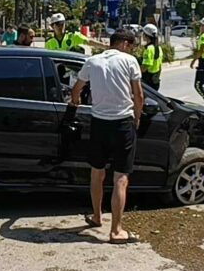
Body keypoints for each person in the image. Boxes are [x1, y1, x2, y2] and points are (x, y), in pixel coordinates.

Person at [70, 29, 144, 244]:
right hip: (122, 124)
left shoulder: (92, 61)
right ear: (125, 43)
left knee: (97, 173)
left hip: (99, 124)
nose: (131, 50)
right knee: (120, 178)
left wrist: (75, 101)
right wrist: (137, 117)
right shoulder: (129, 61)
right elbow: (139, 95)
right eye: (131, 46)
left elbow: (76, 89)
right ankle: (116, 231)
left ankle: (96, 216)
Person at [140, 24, 163, 91]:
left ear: (146, 35)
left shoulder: (149, 49)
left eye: (143, 33)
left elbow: (145, 67)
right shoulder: (159, 48)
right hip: (155, 81)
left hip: (148, 82)